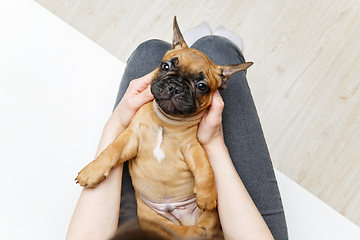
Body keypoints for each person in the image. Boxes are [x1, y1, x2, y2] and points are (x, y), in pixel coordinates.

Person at [66, 23, 288, 240]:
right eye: (167, 68)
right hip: (223, 223)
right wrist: (213, 143)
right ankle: (210, 48)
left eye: (200, 86)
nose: (174, 88)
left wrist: (115, 124)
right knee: (217, 47)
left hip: (157, 215)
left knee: (150, 49)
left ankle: (192, 52)